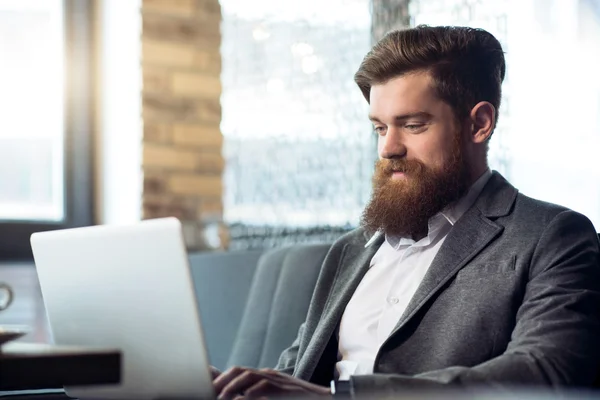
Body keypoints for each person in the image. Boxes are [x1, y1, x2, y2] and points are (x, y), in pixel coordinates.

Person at [212, 25, 600, 399]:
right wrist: (224, 387)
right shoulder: (351, 250)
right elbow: (299, 378)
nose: (387, 149)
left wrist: (345, 396)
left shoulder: (553, 236)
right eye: (380, 128)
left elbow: (544, 373)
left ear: (479, 124)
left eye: (412, 125)